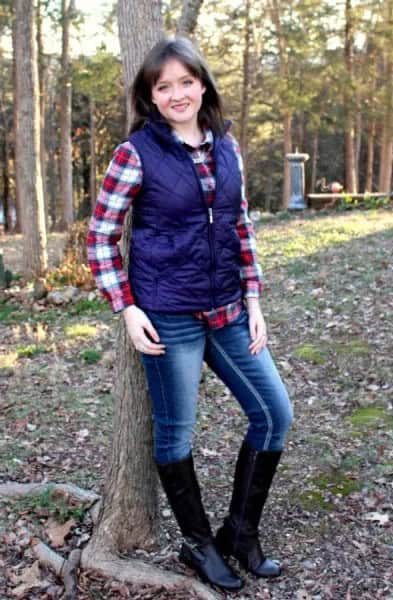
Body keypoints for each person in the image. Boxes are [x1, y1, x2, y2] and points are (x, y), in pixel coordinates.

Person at [87, 36, 293, 592]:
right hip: (168, 315)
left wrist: (253, 300)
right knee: (175, 435)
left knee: (275, 414)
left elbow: (241, 225)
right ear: (150, 97)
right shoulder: (135, 153)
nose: (177, 94)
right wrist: (126, 308)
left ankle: (239, 535)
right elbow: (101, 236)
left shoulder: (228, 146)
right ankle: (198, 545)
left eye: (186, 82)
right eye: (164, 86)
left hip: (227, 309)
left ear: (203, 84)